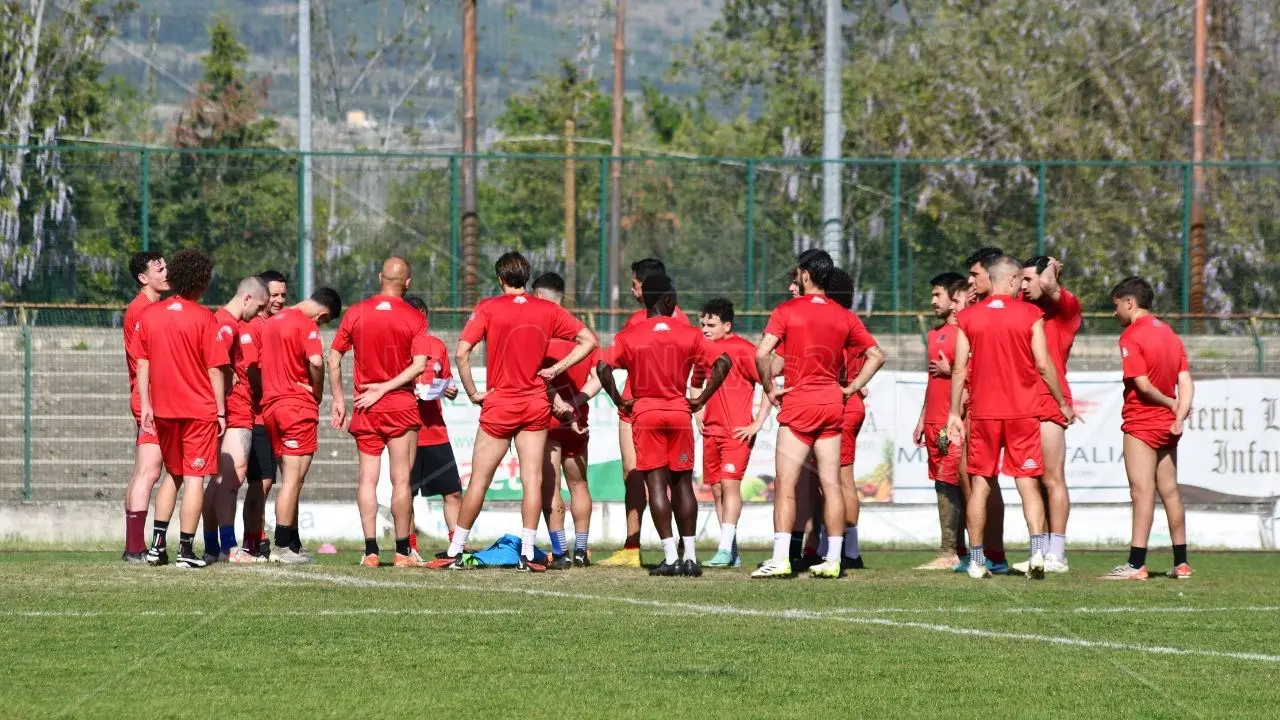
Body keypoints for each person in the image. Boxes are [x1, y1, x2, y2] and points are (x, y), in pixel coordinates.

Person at [442, 252, 599, 572]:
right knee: (532, 480)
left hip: (500, 403)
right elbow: (589, 340)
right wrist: (556, 369)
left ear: (500, 278)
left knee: (478, 482)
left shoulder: (488, 308)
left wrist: (473, 393)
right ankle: (527, 552)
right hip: (534, 404)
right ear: (525, 278)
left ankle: (455, 549)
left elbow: (461, 353)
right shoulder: (546, 309)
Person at [751, 249, 880, 579]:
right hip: (831, 405)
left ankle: (781, 559)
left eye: (797, 273)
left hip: (798, 403)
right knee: (832, 485)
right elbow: (876, 355)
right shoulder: (844, 316)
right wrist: (850, 389)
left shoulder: (787, 310)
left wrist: (769, 387)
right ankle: (834, 559)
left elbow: (762, 352)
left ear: (806, 275)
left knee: (787, 486)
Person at [946, 254, 1074, 580]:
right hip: (1023, 413)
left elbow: (960, 368)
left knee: (981, 485)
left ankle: (976, 560)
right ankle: (1036, 555)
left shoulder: (969, 316)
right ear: (1014, 280)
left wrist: (953, 413)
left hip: (984, 414)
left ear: (992, 279)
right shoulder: (1031, 314)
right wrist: (1061, 402)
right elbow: (1044, 365)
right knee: (1028, 483)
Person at [598, 274, 731, 576]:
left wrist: (619, 399)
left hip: (645, 413)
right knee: (683, 483)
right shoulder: (689, 333)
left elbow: (603, 367)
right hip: (678, 412)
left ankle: (670, 557)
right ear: (668, 300)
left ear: (644, 299)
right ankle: (692, 557)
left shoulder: (630, 335)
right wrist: (701, 399)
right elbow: (723, 362)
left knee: (656, 485)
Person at [329, 258, 430, 568]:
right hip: (399, 404)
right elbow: (420, 364)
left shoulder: (356, 312)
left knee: (367, 480)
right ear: (407, 283)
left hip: (365, 406)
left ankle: (370, 551)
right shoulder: (415, 317)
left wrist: (338, 399)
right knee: (401, 480)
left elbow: (334, 357)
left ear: (379, 277)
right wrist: (386, 388)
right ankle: (402, 552)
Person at [133, 249, 229, 569]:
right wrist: (220, 412)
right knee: (194, 479)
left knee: (171, 477)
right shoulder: (204, 317)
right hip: (198, 410)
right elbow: (216, 369)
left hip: (162, 410)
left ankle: (157, 547)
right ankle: (186, 551)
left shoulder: (150, 315)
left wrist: (147, 404)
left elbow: (142, 363)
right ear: (201, 282)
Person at [597, 258, 690, 569]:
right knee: (670, 479)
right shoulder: (683, 322)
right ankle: (676, 548)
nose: (631, 289)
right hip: (673, 408)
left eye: (635, 283)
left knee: (644, 476)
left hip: (640, 407)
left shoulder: (641, 321)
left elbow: (607, 365)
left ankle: (643, 546)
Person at [1100, 277, 1193, 580]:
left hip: (1142, 422)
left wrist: (1169, 404)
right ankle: (1181, 562)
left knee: (1141, 492)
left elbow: (1142, 385)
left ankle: (1136, 562)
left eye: (1116, 306)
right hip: (1167, 425)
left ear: (1130, 302)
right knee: (1170, 492)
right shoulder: (1170, 334)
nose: (1115, 313)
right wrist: (1178, 410)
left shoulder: (1131, 336)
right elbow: (1186, 382)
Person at [259, 287, 343, 564]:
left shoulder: (271, 322)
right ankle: (282, 546)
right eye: (323, 321)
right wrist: (317, 391)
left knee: (289, 478)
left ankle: (291, 543)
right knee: (293, 480)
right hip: (296, 407)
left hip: (271, 407)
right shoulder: (306, 325)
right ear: (322, 314)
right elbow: (316, 361)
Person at [1011, 256, 1082, 575]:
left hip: (1050, 402)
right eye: (1020, 280)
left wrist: (1051, 271)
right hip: (1022, 403)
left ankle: (1058, 553)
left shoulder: (1065, 309)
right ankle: (1039, 551)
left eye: (1029, 280)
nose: (1023, 286)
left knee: (1052, 478)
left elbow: (1053, 287)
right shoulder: (1024, 311)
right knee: (1030, 481)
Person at [692, 298, 770, 569]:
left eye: (711, 324)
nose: (705, 329)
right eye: (702, 323)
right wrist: (698, 411)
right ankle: (732, 552)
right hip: (710, 432)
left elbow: (769, 386)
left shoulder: (744, 350)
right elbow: (695, 383)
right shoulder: (703, 350)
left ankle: (724, 549)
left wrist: (757, 422)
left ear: (727, 325)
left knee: (729, 484)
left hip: (736, 433)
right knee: (716, 490)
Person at [532, 273, 603, 569]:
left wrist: (559, 403)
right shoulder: (583, 334)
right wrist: (575, 403)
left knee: (552, 486)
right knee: (579, 484)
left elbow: (533, 376)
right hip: (578, 420)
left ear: (540, 297)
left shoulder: (539, 334)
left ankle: (560, 552)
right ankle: (581, 550)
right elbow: (600, 376)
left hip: (548, 420)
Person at [202, 276, 268, 563]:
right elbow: (217, 367)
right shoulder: (228, 325)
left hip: (228, 407)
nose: (260, 313)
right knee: (232, 478)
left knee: (217, 482)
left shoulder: (218, 321)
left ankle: (212, 545)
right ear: (247, 299)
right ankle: (229, 547)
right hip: (235, 409)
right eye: (260, 306)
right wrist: (221, 408)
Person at [824, 268, 885, 570]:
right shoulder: (851, 320)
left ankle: (849, 550)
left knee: (841, 479)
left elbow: (870, 357)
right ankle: (835, 546)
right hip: (850, 402)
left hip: (843, 403)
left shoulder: (836, 322)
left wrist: (850, 386)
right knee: (833, 478)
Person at [912, 272, 970, 570]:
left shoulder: (967, 333)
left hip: (955, 422)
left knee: (952, 484)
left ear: (955, 296)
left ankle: (952, 552)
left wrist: (953, 372)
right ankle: (957, 551)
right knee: (942, 484)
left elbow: (978, 377)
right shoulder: (934, 335)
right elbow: (930, 380)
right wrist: (922, 418)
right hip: (934, 420)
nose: (933, 301)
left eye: (938, 295)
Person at [958, 247, 1010, 574]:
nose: (971, 281)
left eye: (975, 274)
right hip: (974, 403)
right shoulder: (974, 310)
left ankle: (995, 553)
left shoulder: (1013, 309)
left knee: (987, 480)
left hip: (998, 405)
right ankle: (983, 553)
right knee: (975, 478)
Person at [402, 295, 462, 559]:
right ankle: (409, 547)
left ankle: (456, 546)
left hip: (436, 432)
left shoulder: (437, 346)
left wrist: (450, 390)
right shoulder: (397, 347)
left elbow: (447, 381)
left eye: (421, 317)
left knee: (453, 491)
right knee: (406, 493)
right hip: (406, 432)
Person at [121, 252, 170, 563]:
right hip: (151, 400)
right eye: (158, 268)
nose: (166, 272)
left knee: (144, 471)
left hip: (152, 399)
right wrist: (148, 403)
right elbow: (145, 361)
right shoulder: (141, 311)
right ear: (143, 278)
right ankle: (136, 548)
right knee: (149, 472)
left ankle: (135, 545)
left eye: (165, 266)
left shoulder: (153, 308)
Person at [242, 269, 289, 559]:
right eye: (274, 295)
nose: (279, 300)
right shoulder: (252, 326)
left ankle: (276, 540)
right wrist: (275, 391)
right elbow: (252, 370)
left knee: (272, 480)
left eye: (284, 295)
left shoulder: (279, 325)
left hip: (276, 413)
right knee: (261, 481)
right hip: (257, 414)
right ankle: (252, 541)